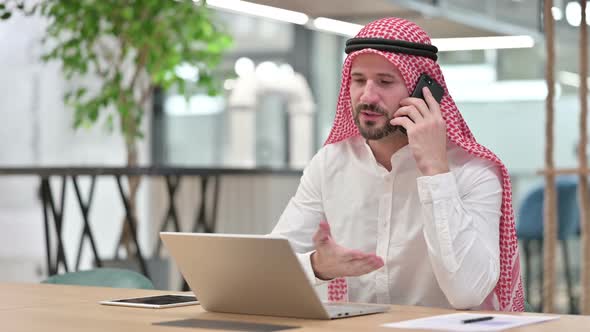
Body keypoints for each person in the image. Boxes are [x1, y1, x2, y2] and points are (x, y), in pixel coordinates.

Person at [271, 17, 524, 311]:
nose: (367, 96)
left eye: (385, 82)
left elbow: (467, 294)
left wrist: (435, 171)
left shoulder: (474, 171)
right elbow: (269, 265)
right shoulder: (329, 163)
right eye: (358, 80)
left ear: (424, 92)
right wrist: (317, 266)